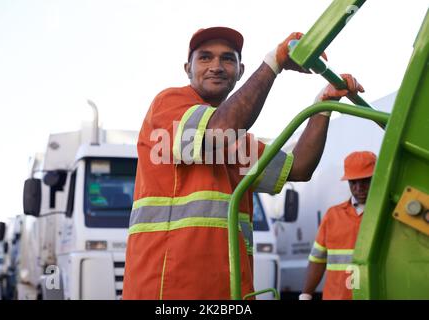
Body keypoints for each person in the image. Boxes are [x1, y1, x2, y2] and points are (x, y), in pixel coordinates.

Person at [122, 26, 364, 299]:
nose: (216, 66)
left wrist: (323, 105)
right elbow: (219, 130)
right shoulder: (169, 105)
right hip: (167, 291)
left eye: (227, 58)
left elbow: (299, 168)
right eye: (204, 58)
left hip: (230, 293)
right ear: (187, 68)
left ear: (240, 70)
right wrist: (274, 62)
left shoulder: (235, 142)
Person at [300, 151, 377, 300]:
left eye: (365, 181)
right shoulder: (332, 215)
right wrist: (306, 294)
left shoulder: (387, 214)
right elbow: (317, 259)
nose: (359, 187)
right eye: (353, 182)